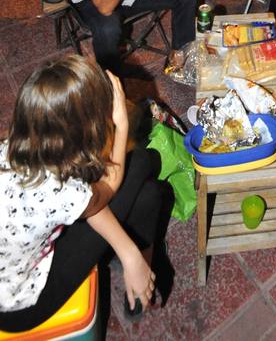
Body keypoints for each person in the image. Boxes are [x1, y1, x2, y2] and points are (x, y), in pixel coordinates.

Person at [0, 55, 166, 332]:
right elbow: (106, 189)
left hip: (13, 266)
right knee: (143, 168)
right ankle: (139, 283)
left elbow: (83, 201)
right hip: (20, 303)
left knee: (146, 190)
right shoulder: (59, 189)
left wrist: (127, 251)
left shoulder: (13, 145)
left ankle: (132, 268)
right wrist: (122, 125)